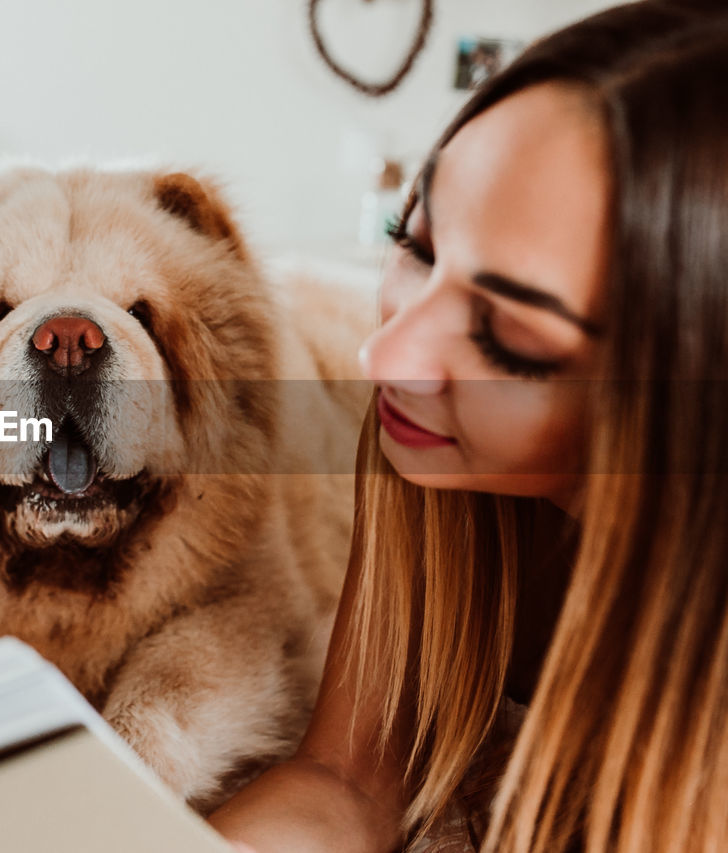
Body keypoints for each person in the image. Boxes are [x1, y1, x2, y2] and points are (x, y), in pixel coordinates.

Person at [209, 2, 728, 851]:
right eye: (413, 243)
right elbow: (345, 776)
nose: (387, 353)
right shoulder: (429, 454)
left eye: (510, 339)